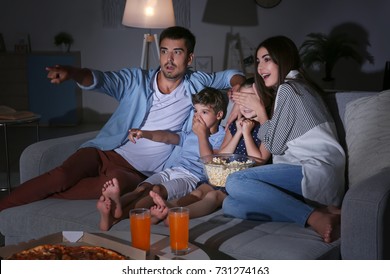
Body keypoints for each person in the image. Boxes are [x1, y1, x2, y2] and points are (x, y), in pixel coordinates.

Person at [0, 26, 245, 212]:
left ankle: (35, 196)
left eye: (177, 52)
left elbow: (232, 75)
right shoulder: (135, 80)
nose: (169, 60)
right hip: (104, 151)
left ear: (189, 58)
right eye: (164, 51)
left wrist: (238, 88)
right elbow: (102, 79)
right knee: (62, 176)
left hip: (138, 172)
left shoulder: (197, 82)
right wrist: (73, 73)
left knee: (107, 189)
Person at [222, 36, 346, 243]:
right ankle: (324, 210)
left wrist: (261, 111)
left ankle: (314, 217)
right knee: (231, 205)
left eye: (267, 59)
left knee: (235, 180)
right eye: (258, 61)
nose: (260, 68)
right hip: (317, 173)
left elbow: (274, 146)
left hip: (314, 169)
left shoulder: (289, 88)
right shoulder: (298, 85)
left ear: (283, 58)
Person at [97, 87, 227, 230]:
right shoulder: (190, 133)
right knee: (141, 189)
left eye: (204, 112)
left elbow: (209, 161)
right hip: (173, 170)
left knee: (156, 190)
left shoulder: (221, 137)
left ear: (219, 115)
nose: (198, 116)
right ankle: (115, 205)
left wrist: (202, 134)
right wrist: (144, 133)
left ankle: (116, 216)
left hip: (191, 178)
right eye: (196, 111)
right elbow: (167, 137)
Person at [147, 79, 271, 224]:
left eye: (250, 100)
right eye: (241, 100)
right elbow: (221, 156)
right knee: (197, 193)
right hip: (222, 175)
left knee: (214, 197)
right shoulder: (233, 126)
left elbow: (259, 161)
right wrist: (238, 133)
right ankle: (168, 208)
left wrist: (246, 133)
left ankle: (178, 216)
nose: (245, 105)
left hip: (243, 180)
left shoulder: (266, 127)